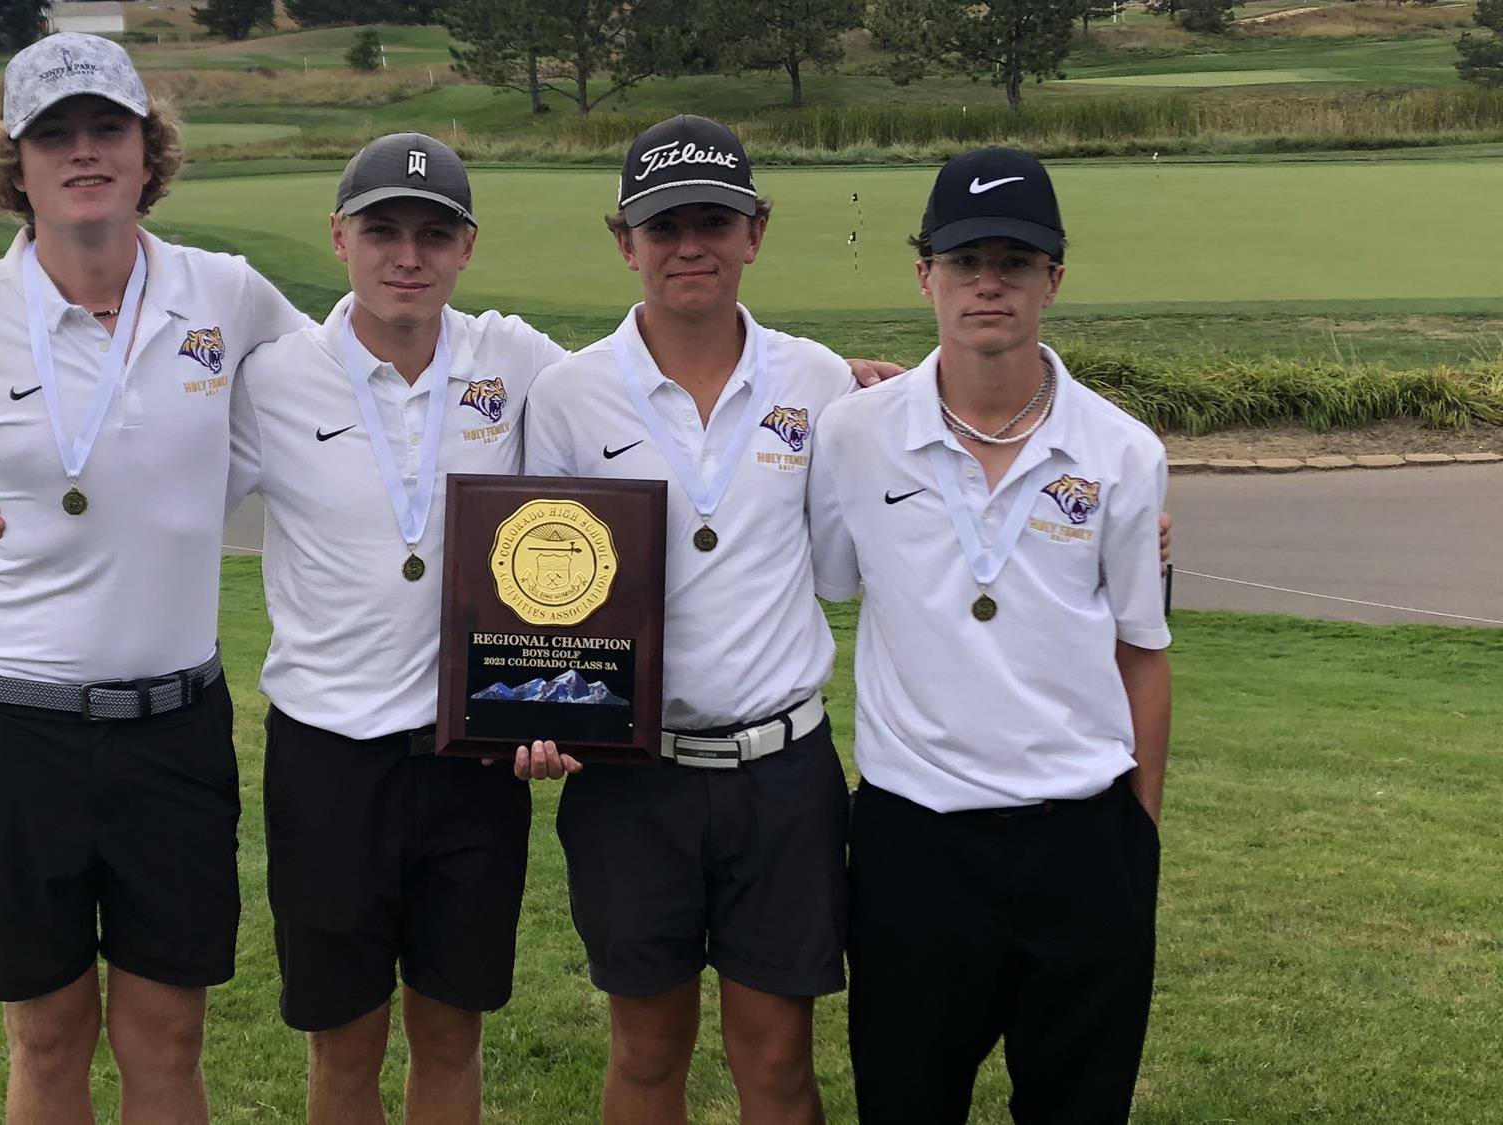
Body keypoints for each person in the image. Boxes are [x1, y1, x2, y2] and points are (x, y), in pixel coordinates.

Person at [0, 33, 310, 1124]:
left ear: (149, 151)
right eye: (51, 135)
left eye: (107, 127)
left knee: (166, 1039)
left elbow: (332, 396)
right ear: (13, 165)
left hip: (173, 730)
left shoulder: (229, 297)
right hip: (13, 738)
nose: (83, 152)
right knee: (46, 1036)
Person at [807, 147, 1172, 1125]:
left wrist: (1136, 838)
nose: (986, 283)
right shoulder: (852, 435)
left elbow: (1141, 651)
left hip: (1082, 844)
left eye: (1013, 260)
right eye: (963, 259)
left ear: (1052, 277)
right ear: (922, 272)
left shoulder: (1122, 453)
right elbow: (818, 575)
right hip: (911, 849)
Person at [520, 114, 859, 1125]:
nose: (689, 247)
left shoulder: (819, 383)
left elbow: (851, 562)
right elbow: (539, 600)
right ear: (624, 241)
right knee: (643, 1058)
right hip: (632, 781)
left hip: (783, 777)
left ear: (754, 231)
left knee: (777, 1065)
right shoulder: (569, 394)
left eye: (712, 221)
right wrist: (538, 710)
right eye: (663, 227)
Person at [226, 133, 570, 1125]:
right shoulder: (274, 377)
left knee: (451, 1034)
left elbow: (645, 396)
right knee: (344, 1042)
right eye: (381, 231)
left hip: (470, 759)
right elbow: (153, 474)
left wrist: (822, 388)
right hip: (327, 758)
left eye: (432, 233)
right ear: (339, 238)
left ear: (466, 247)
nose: (406, 256)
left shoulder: (512, 360)